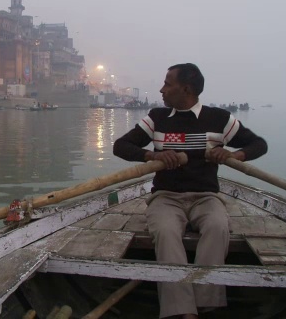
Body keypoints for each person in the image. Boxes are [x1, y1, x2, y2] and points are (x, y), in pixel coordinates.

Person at [113, 63, 268, 319]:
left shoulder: (219, 119)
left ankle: (206, 301)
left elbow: (258, 144)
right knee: (165, 231)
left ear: (186, 89)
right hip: (166, 197)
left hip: (206, 196)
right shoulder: (158, 118)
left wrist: (234, 154)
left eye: (167, 83)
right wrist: (153, 154)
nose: (162, 89)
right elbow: (121, 146)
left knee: (218, 227)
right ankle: (183, 311)